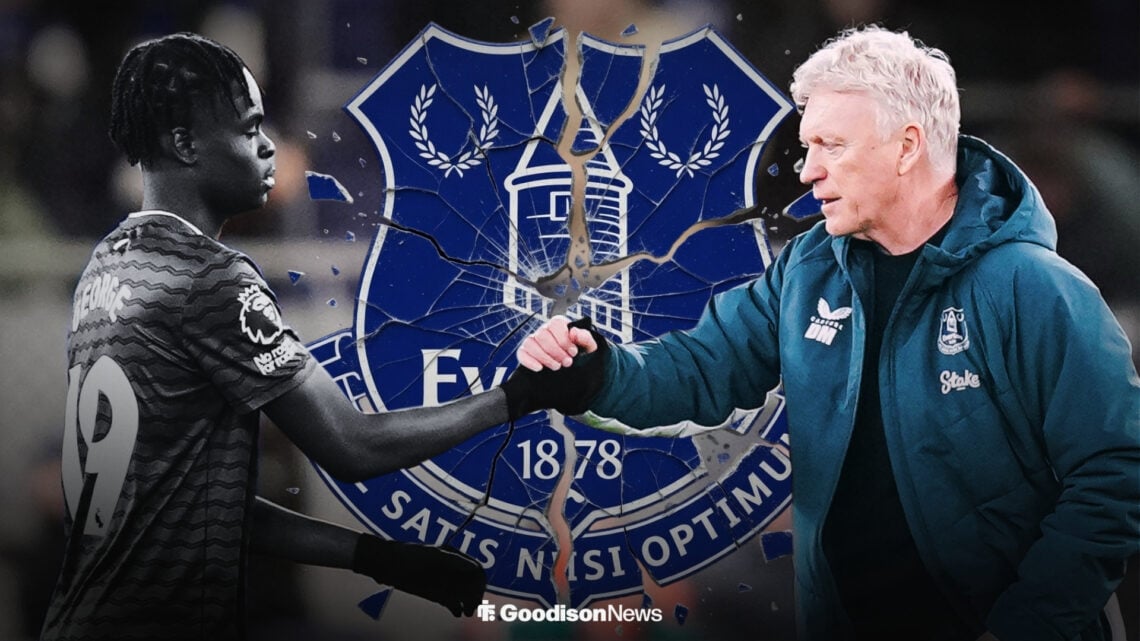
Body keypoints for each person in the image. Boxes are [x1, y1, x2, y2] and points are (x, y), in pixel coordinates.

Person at [512, 25, 1140, 641]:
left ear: (907, 146)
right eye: (808, 145)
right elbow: (701, 369)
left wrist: (1026, 626)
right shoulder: (808, 267)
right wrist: (596, 369)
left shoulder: (1035, 287)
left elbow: (1116, 473)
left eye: (831, 146)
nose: (808, 170)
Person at [46, 31, 558, 641]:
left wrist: (374, 557)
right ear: (185, 144)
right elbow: (352, 446)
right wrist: (519, 397)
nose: (269, 146)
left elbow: (182, 505)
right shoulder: (209, 277)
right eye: (248, 129)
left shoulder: (109, 264)